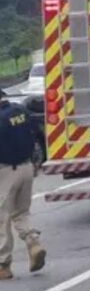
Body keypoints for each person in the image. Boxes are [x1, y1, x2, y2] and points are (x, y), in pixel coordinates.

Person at [0, 89, 45, 279]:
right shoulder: (21, 112)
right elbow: (38, 133)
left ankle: (3, 264)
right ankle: (34, 243)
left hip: (6, 170)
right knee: (21, 212)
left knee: (2, 217)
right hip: (27, 167)